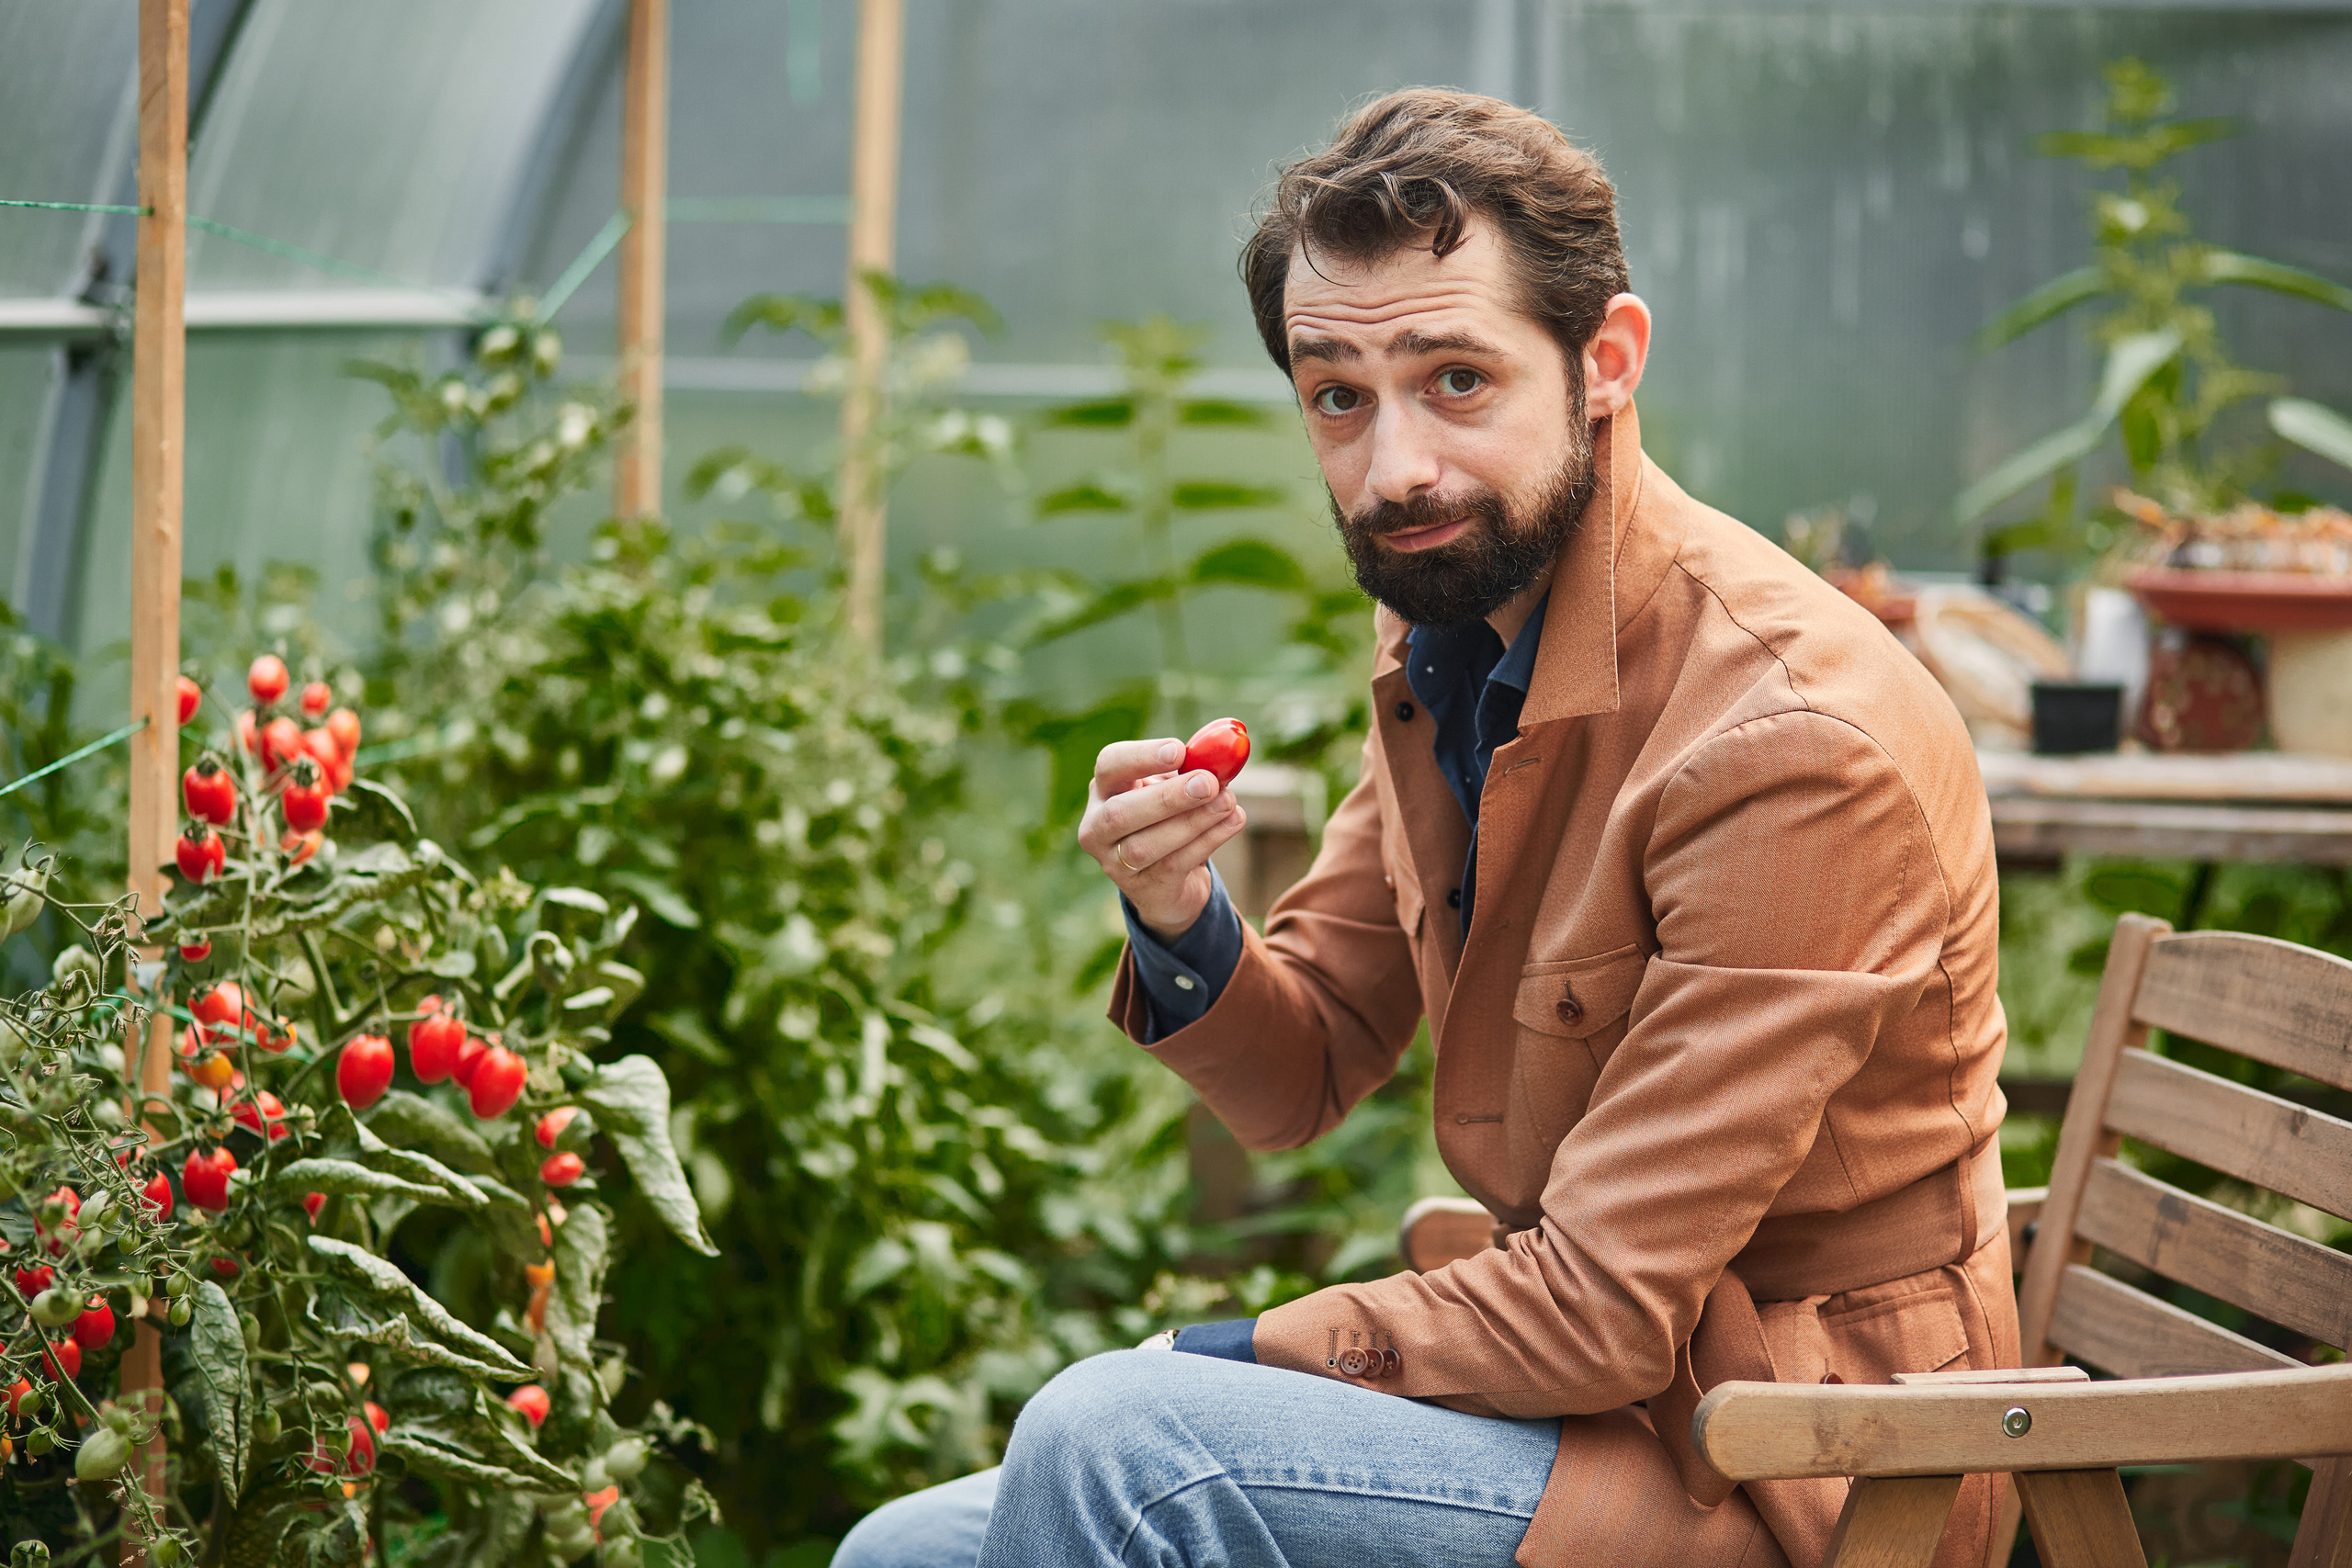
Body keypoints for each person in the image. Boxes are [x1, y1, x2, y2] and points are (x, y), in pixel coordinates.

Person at [837, 86, 2014, 1568]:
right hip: (1592, 1402)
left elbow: (1595, 1303)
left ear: (1606, 364)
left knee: (1114, 1448)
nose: (1393, 469)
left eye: (1455, 378)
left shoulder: (1787, 743)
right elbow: (1310, 1062)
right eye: (1338, 394)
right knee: (903, 1549)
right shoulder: (1452, 638)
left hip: (1805, 1466)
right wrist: (1178, 914)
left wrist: (1216, 1351)